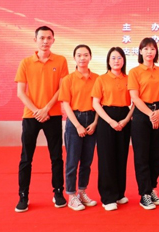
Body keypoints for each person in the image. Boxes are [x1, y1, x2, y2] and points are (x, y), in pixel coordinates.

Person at [15, 26, 69, 212]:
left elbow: (62, 89)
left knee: (56, 157)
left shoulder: (61, 61)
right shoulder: (25, 63)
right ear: (35, 40)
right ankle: (23, 195)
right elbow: (21, 92)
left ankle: (58, 192)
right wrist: (37, 111)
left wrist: (46, 109)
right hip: (31, 116)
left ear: (53, 40)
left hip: (53, 115)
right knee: (26, 158)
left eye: (49, 38)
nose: (45, 41)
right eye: (42, 38)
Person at [92, 47, 133, 211]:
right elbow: (96, 103)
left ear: (124, 60)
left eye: (120, 58)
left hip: (125, 116)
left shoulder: (129, 78)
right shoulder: (101, 79)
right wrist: (110, 121)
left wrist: (126, 120)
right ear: (108, 61)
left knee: (122, 156)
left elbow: (135, 102)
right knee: (107, 158)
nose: (117, 61)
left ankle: (119, 193)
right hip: (106, 118)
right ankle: (108, 197)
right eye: (113, 58)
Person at [129, 37, 159, 210]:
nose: (149, 52)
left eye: (152, 49)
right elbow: (135, 97)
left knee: (157, 155)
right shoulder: (135, 72)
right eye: (146, 49)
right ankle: (144, 193)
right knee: (142, 156)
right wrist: (151, 114)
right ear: (140, 51)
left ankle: (152, 188)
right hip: (142, 115)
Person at [59, 44, 99, 211]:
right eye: (79, 55)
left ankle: (82, 191)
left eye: (86, 55)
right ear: (74, 58)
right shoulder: (68, 79)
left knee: (87, 161)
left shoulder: (97, 78)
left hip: (92, 120)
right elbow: (66, 104)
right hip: (75, 120)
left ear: (90, 57)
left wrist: (95, 123)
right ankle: (71, 195)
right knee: (72, 161)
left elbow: (100, 103)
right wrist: (77, 125)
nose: (82, 58)